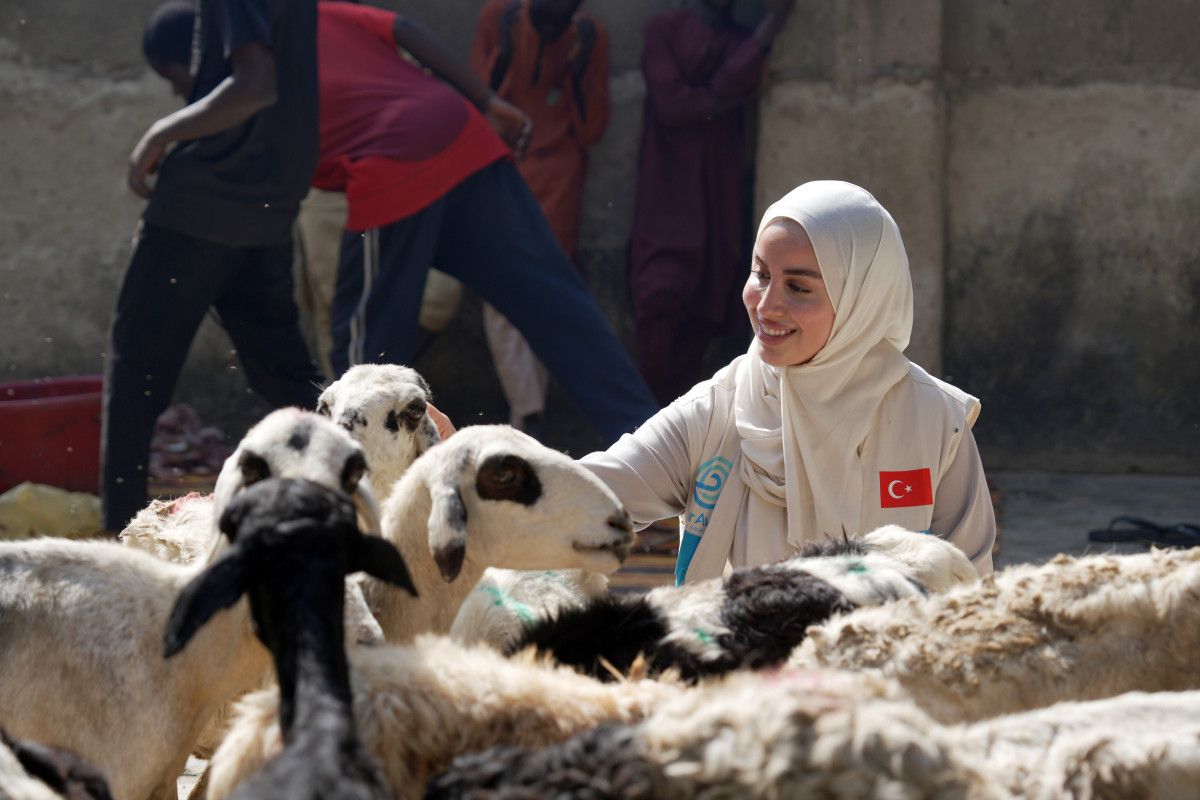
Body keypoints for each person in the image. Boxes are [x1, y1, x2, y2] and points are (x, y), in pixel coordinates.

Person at [429, 182, 996, 581]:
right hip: (736, 689)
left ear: (861, 301)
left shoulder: (934, 424)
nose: (765, 305)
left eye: (799, 287)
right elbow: (596, 494)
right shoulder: (722, 408)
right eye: (760, 274)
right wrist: (471, 465)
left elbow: (970, 587)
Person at [316, 1, 656, 444]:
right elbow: (404, 28)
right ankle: (660, 449)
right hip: (463, 134)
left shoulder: (251, 45)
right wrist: (487, 99)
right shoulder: (318, 14)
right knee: (559, 305)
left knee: (365, 350)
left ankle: (350, 467)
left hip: (394, 162)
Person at [103, 0, 324, 532]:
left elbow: (255, 86)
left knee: (135, 380)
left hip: (198, 212)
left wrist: (160, 134)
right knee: (291, 382)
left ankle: (122, 544)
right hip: (269, 210)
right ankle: (364, 496)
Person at [630, 0, 796, 407]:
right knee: (660, 297)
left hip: (716, 201)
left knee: (703, 313)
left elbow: (732, 84)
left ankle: (671, 433)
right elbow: (674, 104)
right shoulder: (665, 30)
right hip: (667, 197)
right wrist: (719, 95)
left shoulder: (739, 39)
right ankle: (638, 421)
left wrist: (768, 28)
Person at [469, 0, 610, 436]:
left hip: (558, 178)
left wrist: (578, 62)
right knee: (499, 288)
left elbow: (591, 130)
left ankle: (530, 415)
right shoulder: (501, 17)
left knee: (547, 287)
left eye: (561, 18)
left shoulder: (589, 35)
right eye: (544, 16)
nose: (551, 27)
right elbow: (477, 99)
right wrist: (508, 53)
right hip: (501, 168)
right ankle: (527, 411)